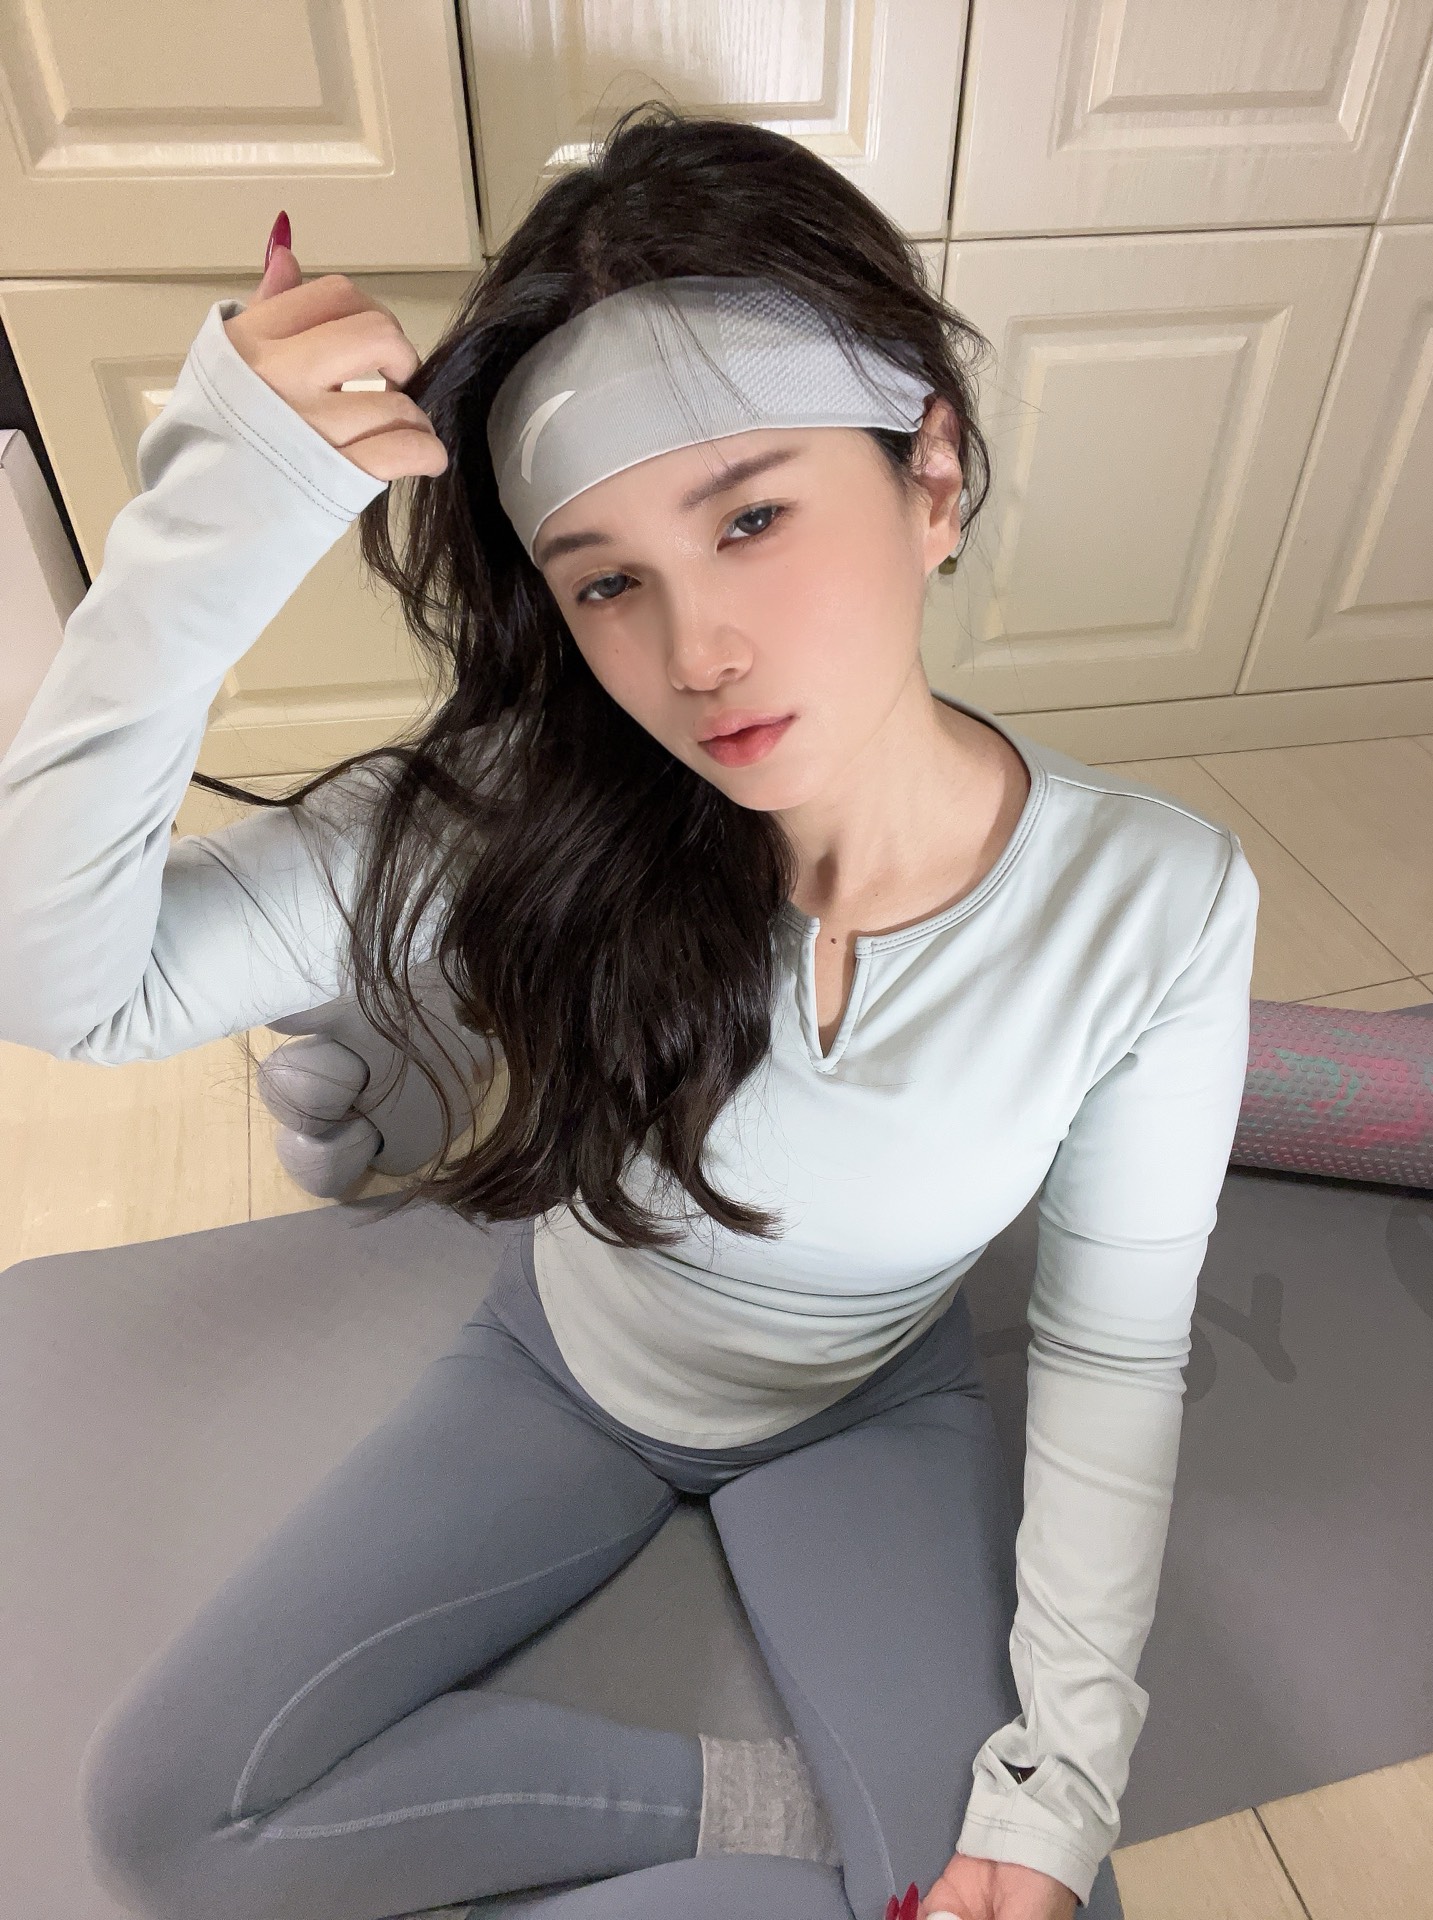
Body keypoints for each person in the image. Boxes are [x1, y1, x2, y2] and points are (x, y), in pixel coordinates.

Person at [0, 104, 1258, 1920]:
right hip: (565, 1374)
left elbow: (1115, 1352)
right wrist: (210, 530)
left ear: (932, 476)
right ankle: (792, 1815)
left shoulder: (1158, 901)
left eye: (751, 515)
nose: (697, 652)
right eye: (607, 581)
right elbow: (60, 984)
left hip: (865, 1408)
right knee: (165, 1824)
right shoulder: (525, 821)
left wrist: (1055, 1778)